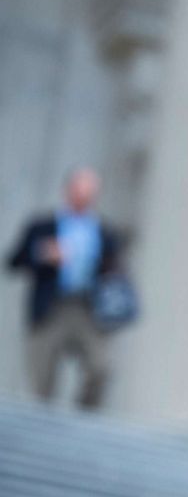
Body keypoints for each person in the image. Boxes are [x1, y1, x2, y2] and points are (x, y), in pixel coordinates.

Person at [7, 167, 119, 407]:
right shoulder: (42, 226)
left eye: (90, 192)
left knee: (100, 367)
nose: (85, 196)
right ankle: (41, 430)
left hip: (87, 308)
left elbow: (115, 267)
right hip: (52, 306)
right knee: (43, 379)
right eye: (81, 190)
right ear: (69, 190)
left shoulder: (103, 231)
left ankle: (82, 421)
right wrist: (43, 253)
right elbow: (14, 261)